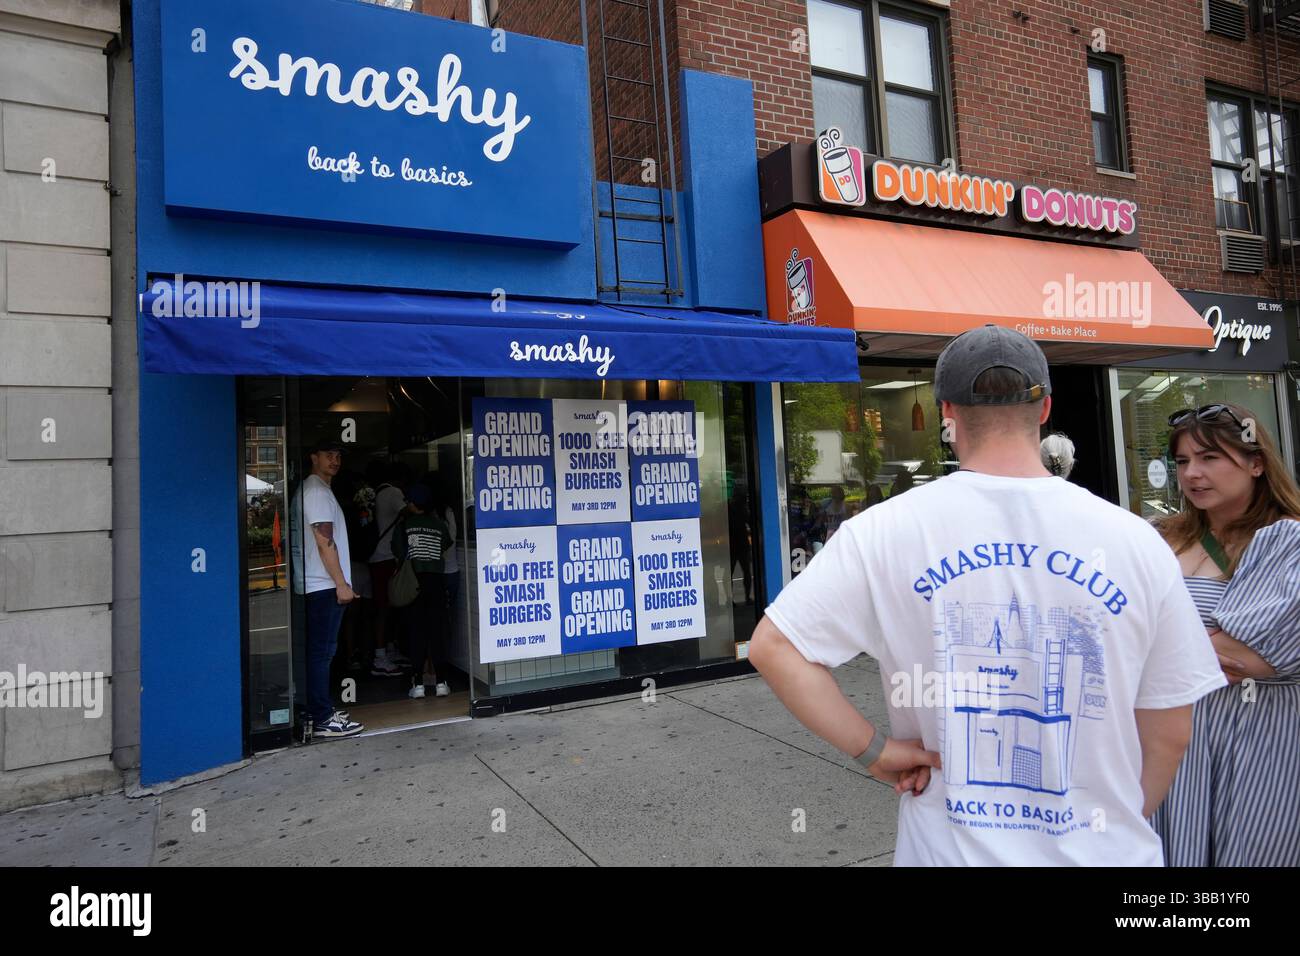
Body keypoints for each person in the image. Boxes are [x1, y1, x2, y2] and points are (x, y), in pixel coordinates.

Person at [749, 324, 1226, 866]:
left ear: (947, 413)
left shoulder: (883, 531)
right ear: (1045, 408)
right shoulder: (1136, 540)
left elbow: (774, 647)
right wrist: (1117, 824)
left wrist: (876, 752)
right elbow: (1170, 729)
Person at [1149, 402, 1300, 866]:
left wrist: (1159, 655)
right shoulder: (1158, 538)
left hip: (1256, 735)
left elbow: (1249, 655)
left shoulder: (1285, 540)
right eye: (1182, 461)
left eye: (1210, 458)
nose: (1192, 473)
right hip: (1169, 736)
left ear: (1256, 463)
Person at [290, 440, 364, 739]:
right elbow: (324, 541)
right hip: (323, 585)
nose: (334, 460)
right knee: (322, 653)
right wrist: (342, 584)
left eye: (337, 456)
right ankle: (321, 717)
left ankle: (316, 710)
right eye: (327, 455)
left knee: (319, 652)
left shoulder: (314, 490)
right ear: (313, 457)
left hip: (317, 583)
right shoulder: (317, 492)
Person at [393, 483, 453, 699]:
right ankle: (441, 683)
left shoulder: (405, 525)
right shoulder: (439, 525)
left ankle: (417, 683)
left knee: (416, 633)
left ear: (413, 504)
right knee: (438, 633)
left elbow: (398, 550)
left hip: (413, 584)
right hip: (436, 582)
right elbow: (446, 544)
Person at [366, 461, 411, 677]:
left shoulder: (376, 493)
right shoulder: (393, 493)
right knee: (385, 607)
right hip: (386, 557)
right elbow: (410, 512)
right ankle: (381, 657)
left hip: (376, 556)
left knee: (386, 606)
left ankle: (388, 651)